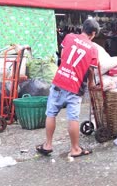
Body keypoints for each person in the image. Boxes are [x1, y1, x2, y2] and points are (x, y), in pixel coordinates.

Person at [36, 18, 100, 158]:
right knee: (73, 118)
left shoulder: (69, 37)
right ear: (93, 33)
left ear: (83, 28)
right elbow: (90, 70)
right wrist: (91, 84)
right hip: (75, 86)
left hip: (59, 81)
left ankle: (47, 145)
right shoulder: (93, 49)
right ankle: (75, 149)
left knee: (51, 113)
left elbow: (64, 56)